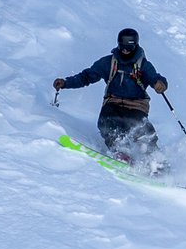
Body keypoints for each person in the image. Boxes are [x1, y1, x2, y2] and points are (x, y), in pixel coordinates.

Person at [55, 28, 168, 162]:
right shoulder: (109, 62)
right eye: (122, 47)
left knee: (143, 131)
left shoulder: (143, 65)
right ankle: (122, 152)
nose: (125, 50)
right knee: (106, 122)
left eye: (129, 48)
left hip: (136, 105)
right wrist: (66, 83)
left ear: (135, 46)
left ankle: (156, 162)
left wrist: (160, 84)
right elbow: (86, 77)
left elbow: (155, 78)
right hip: (113, 103)